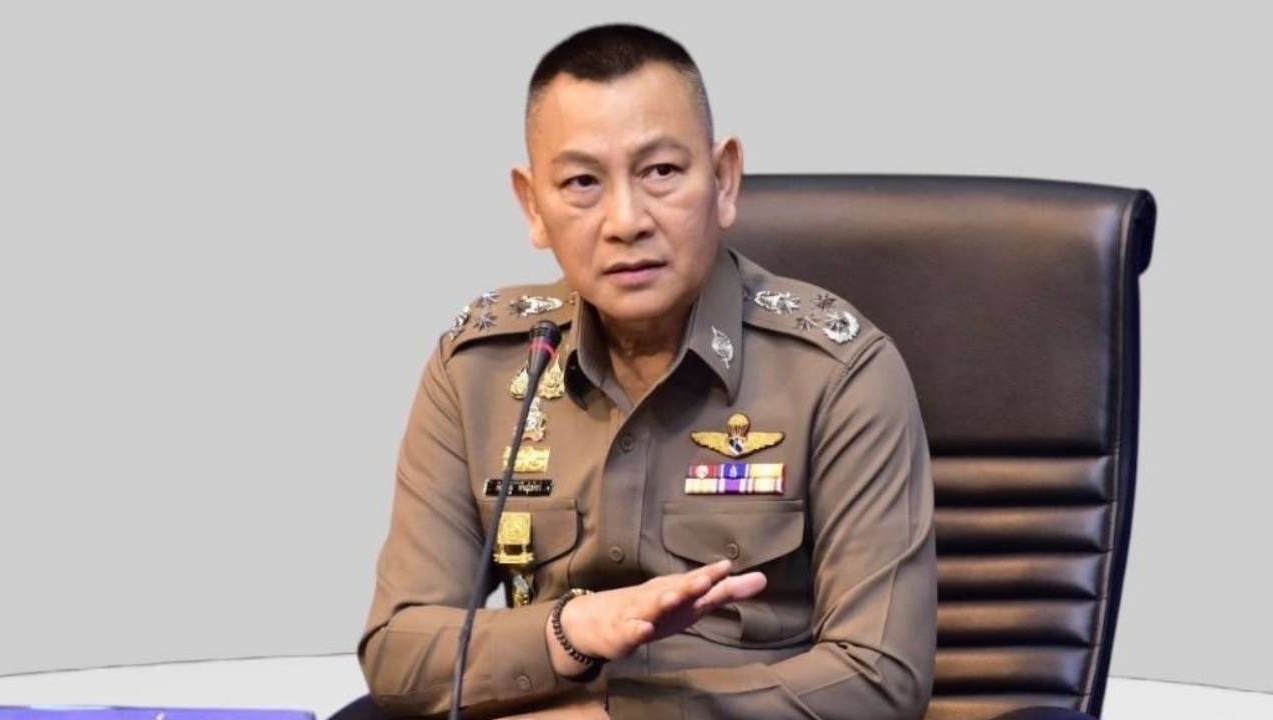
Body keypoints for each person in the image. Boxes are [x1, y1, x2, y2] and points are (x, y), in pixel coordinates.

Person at [358, 23, 936, 720]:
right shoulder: (479, 369)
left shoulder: (839, 372)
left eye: (660, 172)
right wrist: (568, 633)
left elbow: (880, 676)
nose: (626, 221)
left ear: (724, 179)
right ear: (533, 205)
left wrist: (621, 716)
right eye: (582, 183)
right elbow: (399, 651)